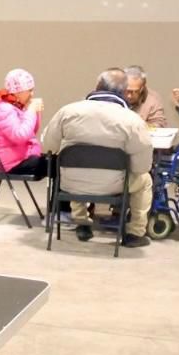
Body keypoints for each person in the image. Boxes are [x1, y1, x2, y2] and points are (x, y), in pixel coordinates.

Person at [43, 68, 155, 248]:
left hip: (71, 183)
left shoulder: (67, 111)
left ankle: (82, 222)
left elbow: (48, 147)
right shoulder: (132, 120)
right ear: (123, 91)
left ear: (97, 86)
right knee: (145, 180)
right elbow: (142, 165)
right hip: (114, 184)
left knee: (77, 169)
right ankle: (135, 232)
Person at [0, 68, 47, 179]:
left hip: (21, 157)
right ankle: (61, 196)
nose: (32, 94)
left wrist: (35, 113)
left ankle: (58, 196)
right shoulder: (4, 109)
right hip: (12, 163)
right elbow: (20, 136)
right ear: (18, 92)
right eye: (29, 90)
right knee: (56, 165)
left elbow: (31, 132)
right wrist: (31, 110)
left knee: (55, 162)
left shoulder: (14, 106)